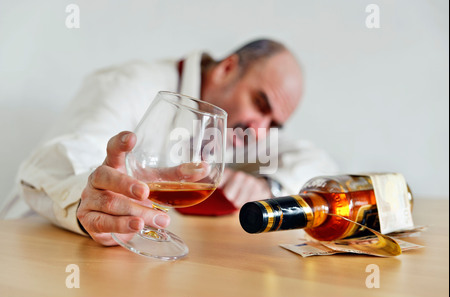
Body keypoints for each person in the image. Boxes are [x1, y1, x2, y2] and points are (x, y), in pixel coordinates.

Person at [15, 39, 338, 246]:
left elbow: (320, 162)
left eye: (274, 124)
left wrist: (272, 186)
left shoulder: (240, 127)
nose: (261, 132)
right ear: (227, 69)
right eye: (261, 104)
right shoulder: (131, 85)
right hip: (34, 248)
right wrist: (89, 200)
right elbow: (49, 166)